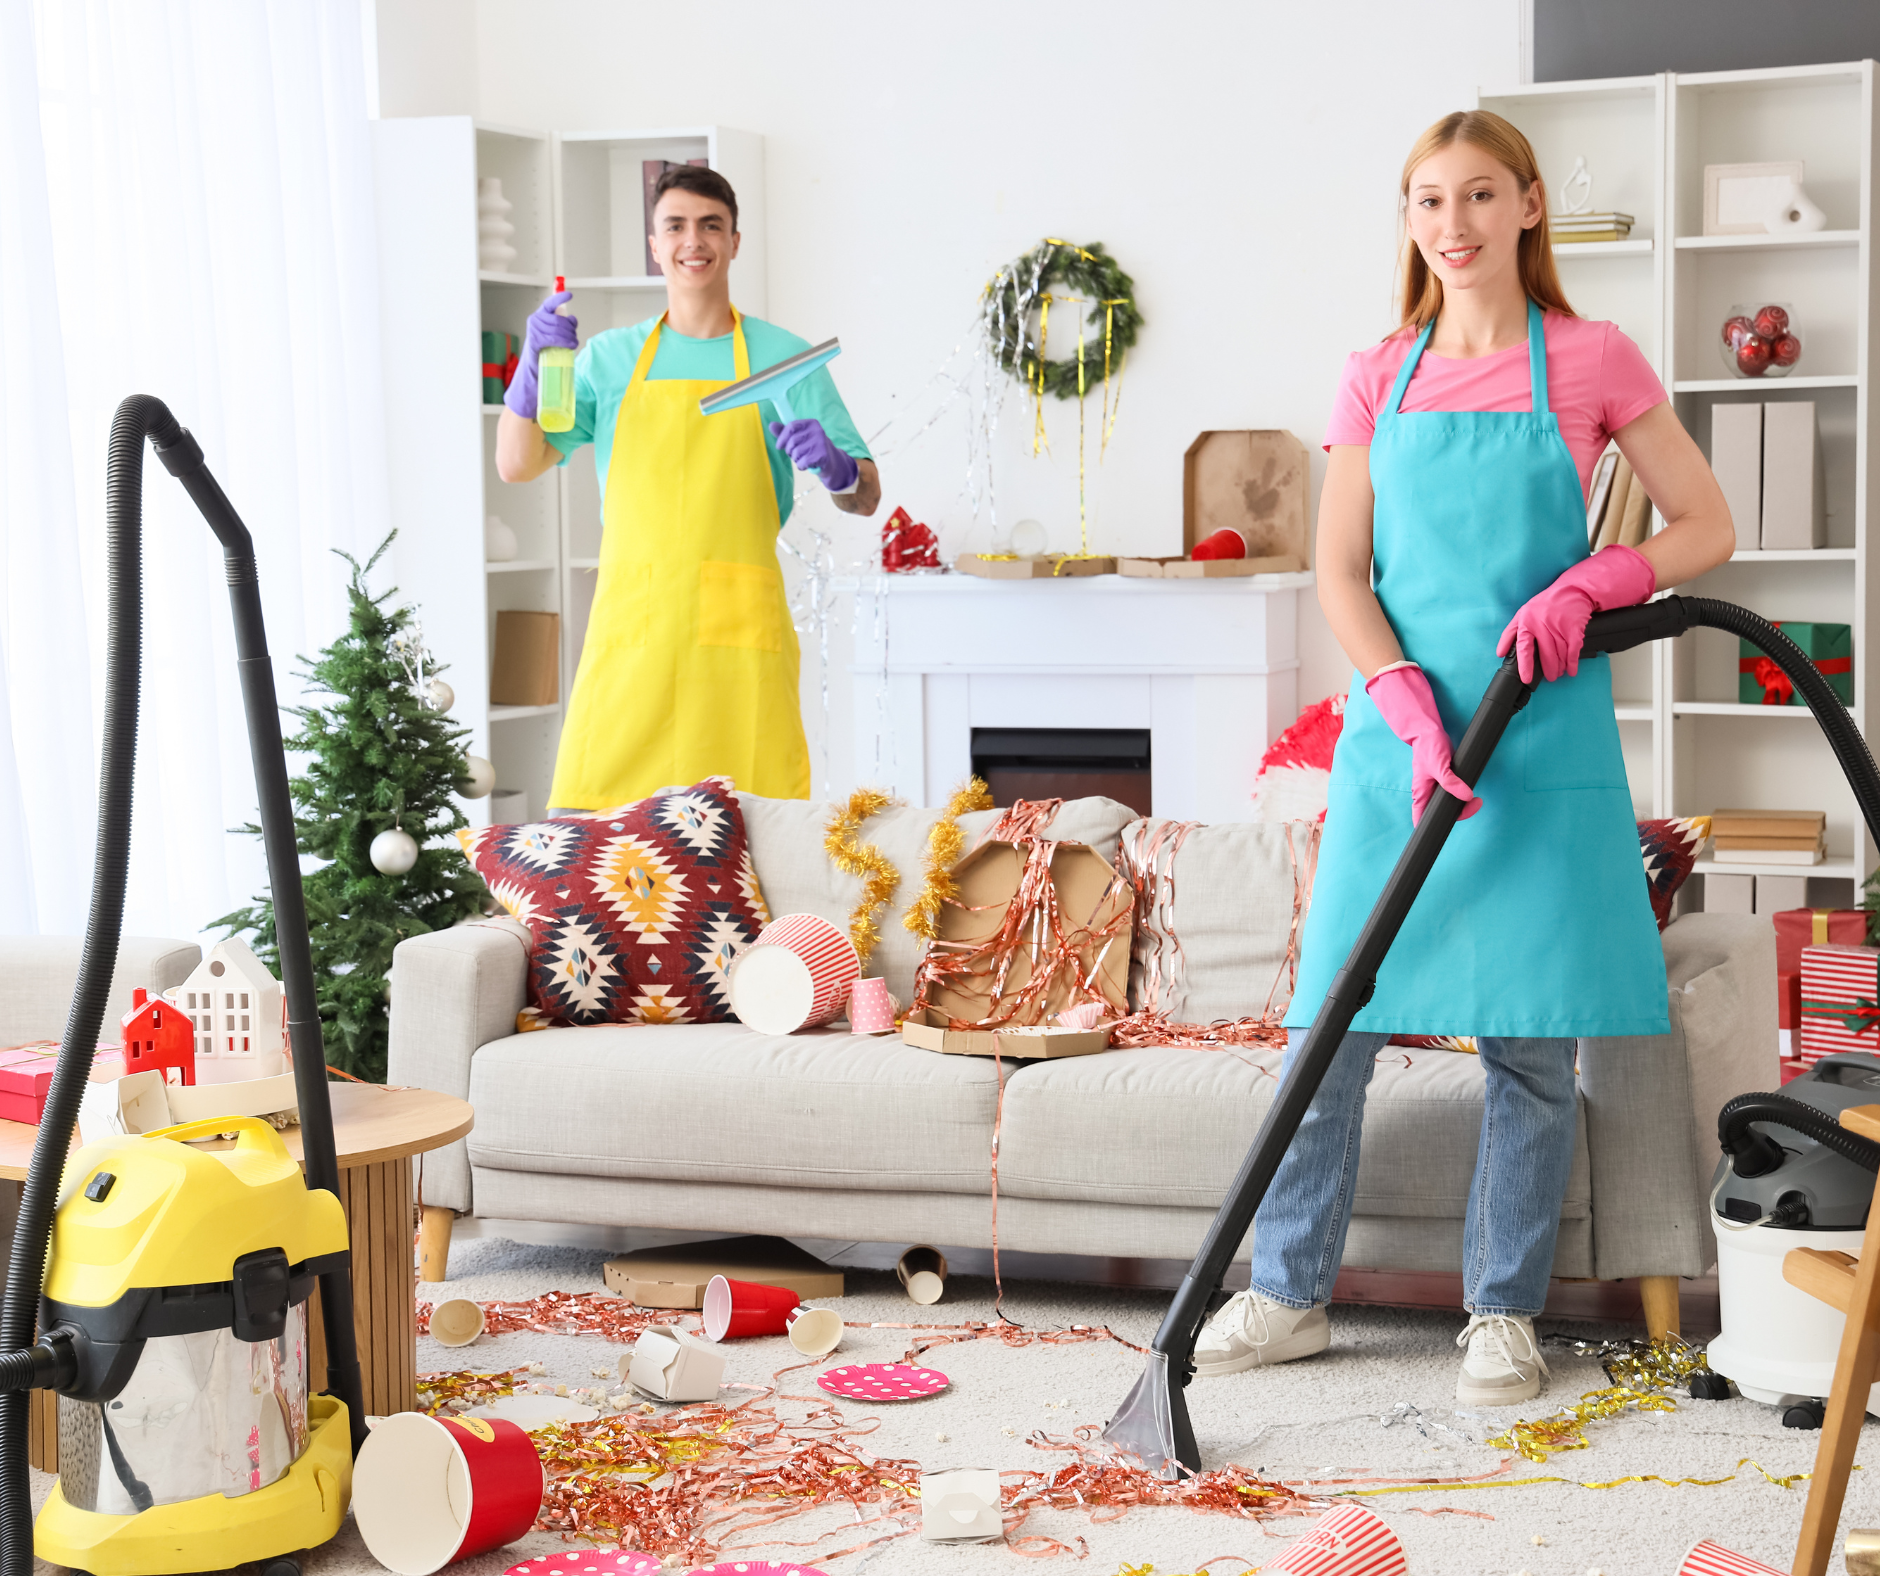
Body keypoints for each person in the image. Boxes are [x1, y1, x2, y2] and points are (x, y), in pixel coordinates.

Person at [1192, 111, 1736, 1406]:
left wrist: (1597, 581)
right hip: (1401, 739)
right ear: (1410, 222)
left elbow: (1706, 524)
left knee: (1528, 1044)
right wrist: (1398, 696)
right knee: (1332, 1025)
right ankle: (1288, 1292)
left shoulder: (1592, 357)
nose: (1454, 224)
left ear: (1529, 206)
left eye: (1480, 195)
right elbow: (1339, 570)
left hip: (1536, 730)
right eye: (1428, 201)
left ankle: (1502, 1314)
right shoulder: (1375, 372)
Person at [496, 165, 879, 809]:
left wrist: (838, 468)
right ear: (654, 245)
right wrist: (530, 370)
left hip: (738, 646)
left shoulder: (783, 357)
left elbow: (864, 496)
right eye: (674, 226)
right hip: (632, 634)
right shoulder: (610, 359)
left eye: (710, 226)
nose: (692, 241)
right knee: (604, 830)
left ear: (734, 241)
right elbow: (516, 463)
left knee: (749, 828)